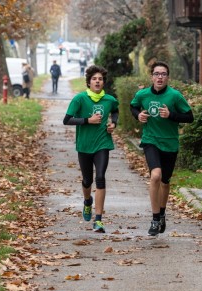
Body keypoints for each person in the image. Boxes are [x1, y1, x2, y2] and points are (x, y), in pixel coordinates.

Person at [130, 61, 194, 236]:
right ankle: (155, 218)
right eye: (157, 74)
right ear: (152, 76)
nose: (160, 77)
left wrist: (171, 115)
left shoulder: (175, 96)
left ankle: (163, 213)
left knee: (165, 182)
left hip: (170, 143)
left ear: (167, 77)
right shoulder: (143, 94)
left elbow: (189, 117)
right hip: (151, 140)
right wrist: (139, 115)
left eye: (163, 74)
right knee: (155, 175)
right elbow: (133, 106)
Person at [63, 65, 119, 233]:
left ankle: (99, 220)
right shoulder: (80, 99)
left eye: (100, 79)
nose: (97, 81)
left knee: (100, 177)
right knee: (87, 180)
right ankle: (88, 201)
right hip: (85, 145)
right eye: (94, 79)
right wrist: (88, 120)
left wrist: (113, 123)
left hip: (103, 144)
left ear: (103, 82)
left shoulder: (110, 100)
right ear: (88, 82)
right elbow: (67, 120)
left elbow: (115, 112)